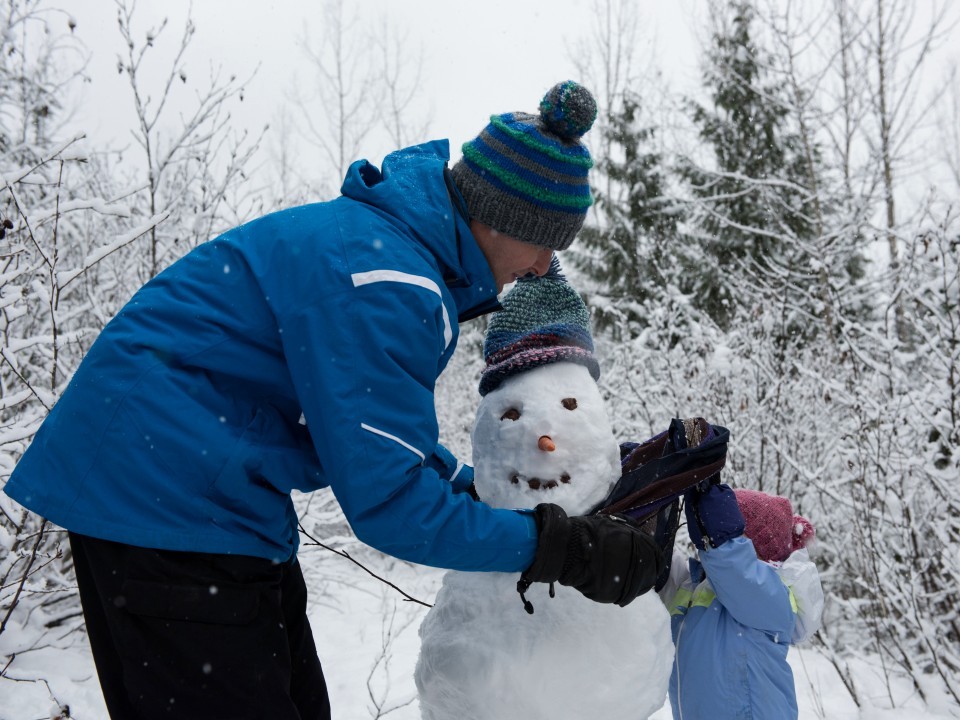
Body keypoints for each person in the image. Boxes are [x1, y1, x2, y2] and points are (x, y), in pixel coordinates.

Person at [3, 81, 662, 719]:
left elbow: (370, 438)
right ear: (502, 217)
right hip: (161, 496)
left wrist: (471, 489)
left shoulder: (386, 252)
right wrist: (561, 549)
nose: (545, 266)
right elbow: (391, 507)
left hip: (201, 489)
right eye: (546, 241)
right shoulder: (389, 280)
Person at [659, 483, 824, 719]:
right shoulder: (694, 587)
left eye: (736, 537)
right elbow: (660, 575)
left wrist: (718, 536)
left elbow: (736, 571)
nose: (718, 537)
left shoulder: (772, 597)